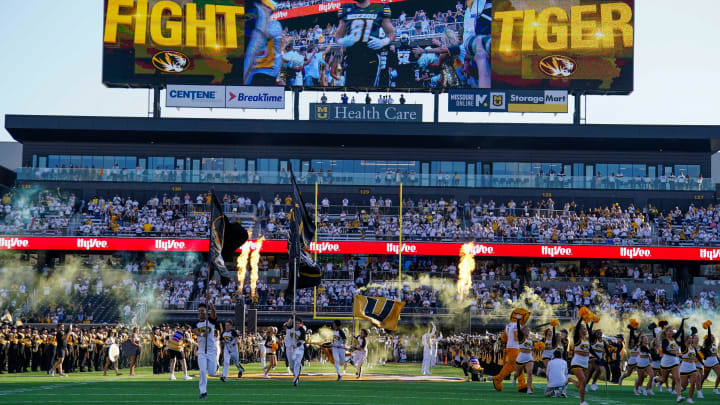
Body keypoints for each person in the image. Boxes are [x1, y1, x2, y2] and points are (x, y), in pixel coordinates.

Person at [335, 0, 396, 87]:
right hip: (352, 57)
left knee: (369, 90)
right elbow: (338, 35)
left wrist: (383, 42)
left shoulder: (379, 8)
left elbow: (392, 33)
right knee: (350, 89)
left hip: (371, 57)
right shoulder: (346, 8)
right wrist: (342, 41)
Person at [243, 0, 283, 85]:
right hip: (256, 73)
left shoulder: (274, 25)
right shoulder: (254, 28)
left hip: (268, 71)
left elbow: (265, 34)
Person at [493, 308, 529, 392]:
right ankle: (498, 379)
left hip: (510, 347)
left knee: (517, 365)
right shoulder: (518, 325)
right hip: (514, 348)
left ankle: (522, 384)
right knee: (514, 366)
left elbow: (504, 338)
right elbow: (517, 338)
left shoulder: (508, 325)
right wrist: (524, 334)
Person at [193, 301, 221, 399]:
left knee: (212, 373)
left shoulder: (210, 321)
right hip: (201, 352)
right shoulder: (196, 323)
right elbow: (195, 331)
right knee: (202, 371)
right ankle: (203, 392)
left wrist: (211, 306)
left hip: (211, 351)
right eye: (199, 311)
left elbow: (214, 315)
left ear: (206, 312)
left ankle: (217, 365)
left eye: (203, 311)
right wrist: (201, 334)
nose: (201, 312)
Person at [514, 320, 535, 394]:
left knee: (529, 372)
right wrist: (518, 320)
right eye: (525, 329)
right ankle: (514, 377)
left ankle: (529, 388)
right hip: (521, 357)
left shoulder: (531, 340)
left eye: (528, 329)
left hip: (529, 357)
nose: (527, 331)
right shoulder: (521, 338)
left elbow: (531, 349)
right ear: (522, 331)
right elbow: (518, 330)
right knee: (518, 373)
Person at [285, 316, 307, 386]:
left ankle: (295, 379)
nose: (296, 325)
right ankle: (295, 374)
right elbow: (288, 324)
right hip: (289, 348)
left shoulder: (302, 331)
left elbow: (301, 341)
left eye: (298, 323)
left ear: (300, 324)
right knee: (292, 365)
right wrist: (292, 316)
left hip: (299, 348)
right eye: (295, 323)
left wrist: (297, 345)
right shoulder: (290, 327)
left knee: (297, 362)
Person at [699, 321, 720, 394]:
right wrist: (708, 327)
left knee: (719, 375)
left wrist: (719, 360)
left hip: (715, 362)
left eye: (713, 336)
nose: (712, 337)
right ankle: (700, 388)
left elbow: (716, 354)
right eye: (711, 336)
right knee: (704, 377)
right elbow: (709, 333)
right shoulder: (707, 345)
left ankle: (715, 388)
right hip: (708, 362)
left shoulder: (714, 345)